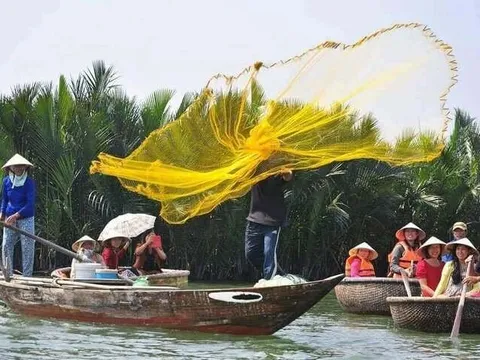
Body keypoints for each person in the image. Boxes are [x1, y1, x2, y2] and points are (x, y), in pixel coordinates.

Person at [245, 169, 293, 280]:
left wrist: (285, 172)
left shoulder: (278, 168)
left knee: (269, 254)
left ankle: (269, 281)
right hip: (254, 219)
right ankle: (279, 275)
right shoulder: (255, 168)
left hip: (272, 221)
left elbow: (288, 176)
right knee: (250, 254)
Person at [0, 154, 36, 277]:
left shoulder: (29, 183)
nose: (18, 168)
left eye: (21, 166)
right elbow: (4, 200)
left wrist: (16, 215)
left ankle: (27, 277)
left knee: (27, 247)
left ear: (25, 167)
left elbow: (30, 203)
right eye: (16, 166)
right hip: (9, 219)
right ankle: (7, 274)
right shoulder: (6, 182)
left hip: (25, 217)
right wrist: (2, 213)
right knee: (6, 245)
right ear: (11, 168)